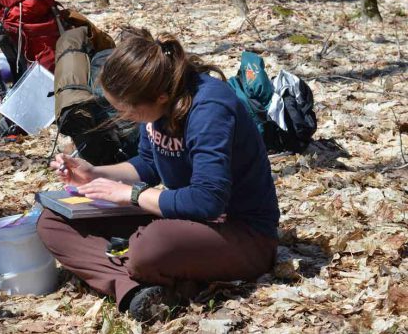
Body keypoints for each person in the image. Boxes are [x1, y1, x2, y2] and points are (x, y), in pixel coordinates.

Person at [37, 28, 280, 323]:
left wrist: (132, 195)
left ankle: (141, 271)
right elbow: (149, 165)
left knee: (149, 246)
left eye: (127, 111)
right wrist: (93, 173)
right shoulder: (156, 102)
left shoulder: (210, 109)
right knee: (53, 222)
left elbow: (208, 201)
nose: (123, 117)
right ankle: (137, 289)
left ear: (161, 96)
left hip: (242, 234)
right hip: (182, 218)